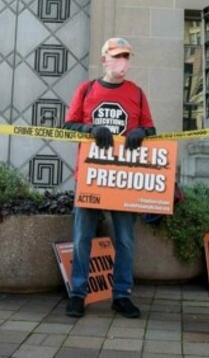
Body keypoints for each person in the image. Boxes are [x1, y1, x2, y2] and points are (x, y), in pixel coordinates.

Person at [61, 37, 156, 319]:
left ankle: (122, 295)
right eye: (116, 56)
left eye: (126, 56)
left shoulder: (137, 93)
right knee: (82, 237)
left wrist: (143, 133)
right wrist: (90, 128)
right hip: (91, 176)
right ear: (104, 60)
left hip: (125, 179)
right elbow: (68, 126)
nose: (122, 62)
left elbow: (151, 129)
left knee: (126, 239)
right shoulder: (87, 89)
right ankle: (78, 294)